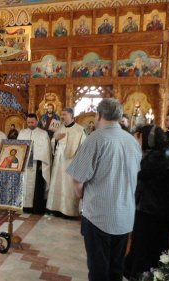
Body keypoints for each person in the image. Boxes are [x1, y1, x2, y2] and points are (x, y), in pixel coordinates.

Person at [67, 98, 141, 281]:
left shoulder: (96, 139)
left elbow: (77, 180)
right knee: (116, 266)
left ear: (98, 115)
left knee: (98, 268)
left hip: (98, 217)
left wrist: (83, 196)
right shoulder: (132, 141)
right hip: (125, 216)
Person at [124, 125, 169, 279]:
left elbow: (138, 174)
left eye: (140, 137)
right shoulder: (164, 152)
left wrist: (136, 150)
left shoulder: (157, 157)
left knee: (144, 244)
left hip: (150, 208)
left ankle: (141, 273)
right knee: (151, 243)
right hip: (157, 208)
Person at [47, 108, 86, 217]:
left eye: (64, 114)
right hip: (58, 162)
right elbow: (54, 143)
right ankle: (55, 208)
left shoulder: (79, 130)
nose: (62, 117)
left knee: (68, 186)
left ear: (71, 115)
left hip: (71, 163)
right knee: (57, 183)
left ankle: (68, 211)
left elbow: (83, 148)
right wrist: (55, 140)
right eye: (61, 114)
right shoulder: (60, 127)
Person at [17, 114, 51, 214]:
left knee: (37, 186)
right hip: (24, 164)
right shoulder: (22, 133)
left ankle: (37, 208)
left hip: (37, 164)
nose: (30, 124)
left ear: (37, 121)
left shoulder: (43, 133)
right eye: (28, 122)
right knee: (23, 184)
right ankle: (23, 206)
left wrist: (42, 164)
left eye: (32, 122)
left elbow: (46, 150)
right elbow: (18, 147)